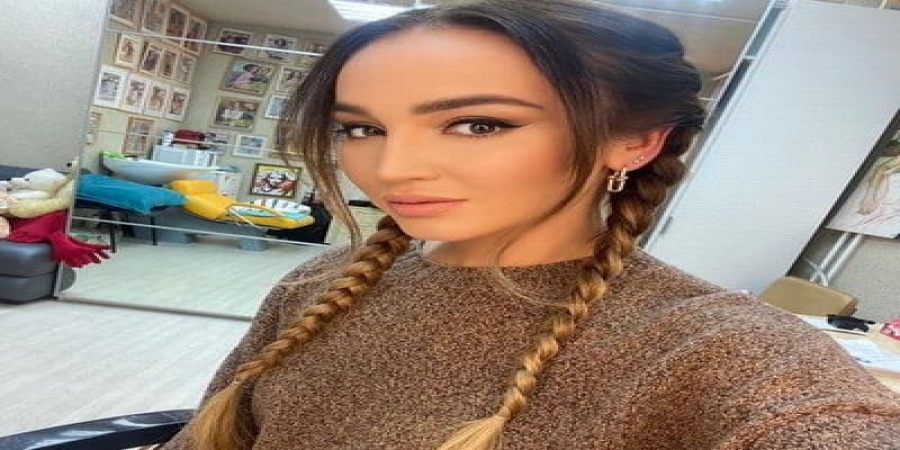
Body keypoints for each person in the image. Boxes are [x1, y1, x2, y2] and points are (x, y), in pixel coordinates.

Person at [162, 1, 900, 450]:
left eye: (477, 124)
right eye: (362, 128)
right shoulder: (322, 282)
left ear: (636, 142)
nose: (391, 168)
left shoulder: (716, 347)